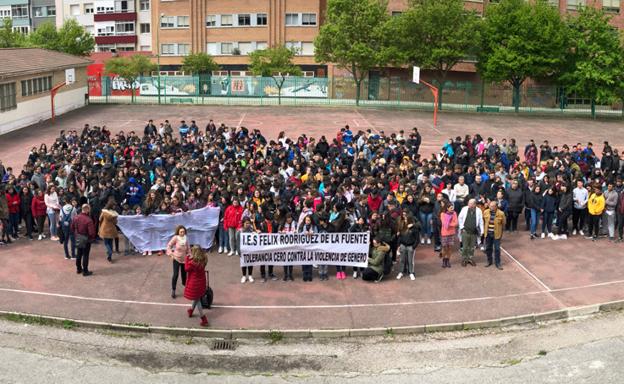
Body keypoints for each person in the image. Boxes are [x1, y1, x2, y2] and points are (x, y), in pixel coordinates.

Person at [184, 246, 208, 327]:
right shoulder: (204, 259)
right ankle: (191, 310)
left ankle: (203, 318)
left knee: (197, 300)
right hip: (201, 281)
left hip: (194, 283)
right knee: (196, 297)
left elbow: (186, 268)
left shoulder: (192, 262)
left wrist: (187, 258)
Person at [71, 204, 96, 276]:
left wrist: (76, 233)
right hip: (86, 238)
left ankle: (78, 269)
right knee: (85, 255)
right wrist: (92, 238)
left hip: (78, 237)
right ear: (87, 210)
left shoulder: (76, 217)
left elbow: (72, 227)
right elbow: (91, 232)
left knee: (79, 254)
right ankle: (85, 271)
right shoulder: (88, 220)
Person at [167, 225, 191, 298]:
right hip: (176, 259)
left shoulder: (186, 239)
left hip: (184, 260)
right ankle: (173, 290)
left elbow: (188, 249)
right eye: (181, 232)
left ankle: (186, 289)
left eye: (183, 231)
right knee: (176, 274)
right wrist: (171, 254)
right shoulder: (175, 238)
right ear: (178, 232)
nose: (182, 233)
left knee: (184, 276)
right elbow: (169, 246)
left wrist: (190, 256)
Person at [458, 198, 483, 267]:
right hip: (465, 231)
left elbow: (481, 221)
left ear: (475, 204)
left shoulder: (479, 210)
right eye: (469, 203)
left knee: (472, 247)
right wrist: (462, 227)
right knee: (465, 246)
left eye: (471, 203)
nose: (469, 204)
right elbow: (460, 218)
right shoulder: (464, 209)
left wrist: (482, 231)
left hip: (474, 232)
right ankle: (464, 259)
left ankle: (470, 258)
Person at [396, 212, 420, 280]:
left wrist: (413, 247)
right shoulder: (402, 226)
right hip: (403, 245)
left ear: (409, 220)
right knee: (402, 260)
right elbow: (400, 237)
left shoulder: (415, 228)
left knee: (410, 261)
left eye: (406, 219)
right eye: (405, 218)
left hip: (410, 246)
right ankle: (401, 272)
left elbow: (417, 239)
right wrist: (399, 245)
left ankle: (411, 273)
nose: (405, 220)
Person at [483, 200, 506, 270]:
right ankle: (489, 261)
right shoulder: (486, 212)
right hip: (488, 233)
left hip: (497, 234)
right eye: (490, 206)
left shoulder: (501, 213)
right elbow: (484, 221)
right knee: (488, 248)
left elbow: (503, 223)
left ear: (496, 207)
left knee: (497, 249)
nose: (491, 207)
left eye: (492, 206)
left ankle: (498, 263)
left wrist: (501, 233)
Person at [299, 215, 317, 282]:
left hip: (311, 246)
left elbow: (318, 235)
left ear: (311, 221)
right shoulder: (302, 226)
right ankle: (304, 274)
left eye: (309, 220)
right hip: (303, 246)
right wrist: (304, 233)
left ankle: (309, 274)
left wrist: (313, 234)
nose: (307, 221)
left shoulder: (314, 227)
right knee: (304, 260)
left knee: (310, 259)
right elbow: (298, 234)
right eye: (306, 220)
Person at [439, 203, 458, 268]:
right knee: (444, 248)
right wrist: (451, 224)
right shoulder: (442, 214)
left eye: (453, 208)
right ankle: (444, 260)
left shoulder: (454, 213)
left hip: (452, 233)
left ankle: (448, 260)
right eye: (451, 208)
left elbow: (456, 223)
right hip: (444, 233)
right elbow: (444, 223)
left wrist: (449, 224)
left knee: (450, 248)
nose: (452, 209)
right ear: (447, 208)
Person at [240, 218, 255, 283]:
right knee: (244, 263)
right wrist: (239, 251)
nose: (247, 224)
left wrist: (256, 233)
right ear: (243, 223)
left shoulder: (251, 230)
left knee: (250, 263)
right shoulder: (240, 231)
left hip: (250, 249)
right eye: (246, 223)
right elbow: (238, 242)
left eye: (248, 223)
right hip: (243, 250)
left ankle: (250, 275)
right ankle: (244, 276)